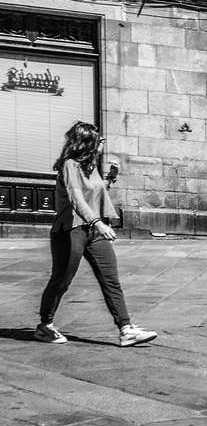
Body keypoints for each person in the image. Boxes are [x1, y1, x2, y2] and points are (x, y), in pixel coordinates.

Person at [36, 122, 158, 347]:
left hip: (93, 231)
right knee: (62, 280)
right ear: (86, 142)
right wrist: (97, 222)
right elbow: (76, 198)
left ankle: (126, 329)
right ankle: (45, 326)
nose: (102, 142)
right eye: (98, 139)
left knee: (111, 279)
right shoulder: (69, 165)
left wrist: (109, 179)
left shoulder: (89, 166)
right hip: (70, 230)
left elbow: (92, 191)